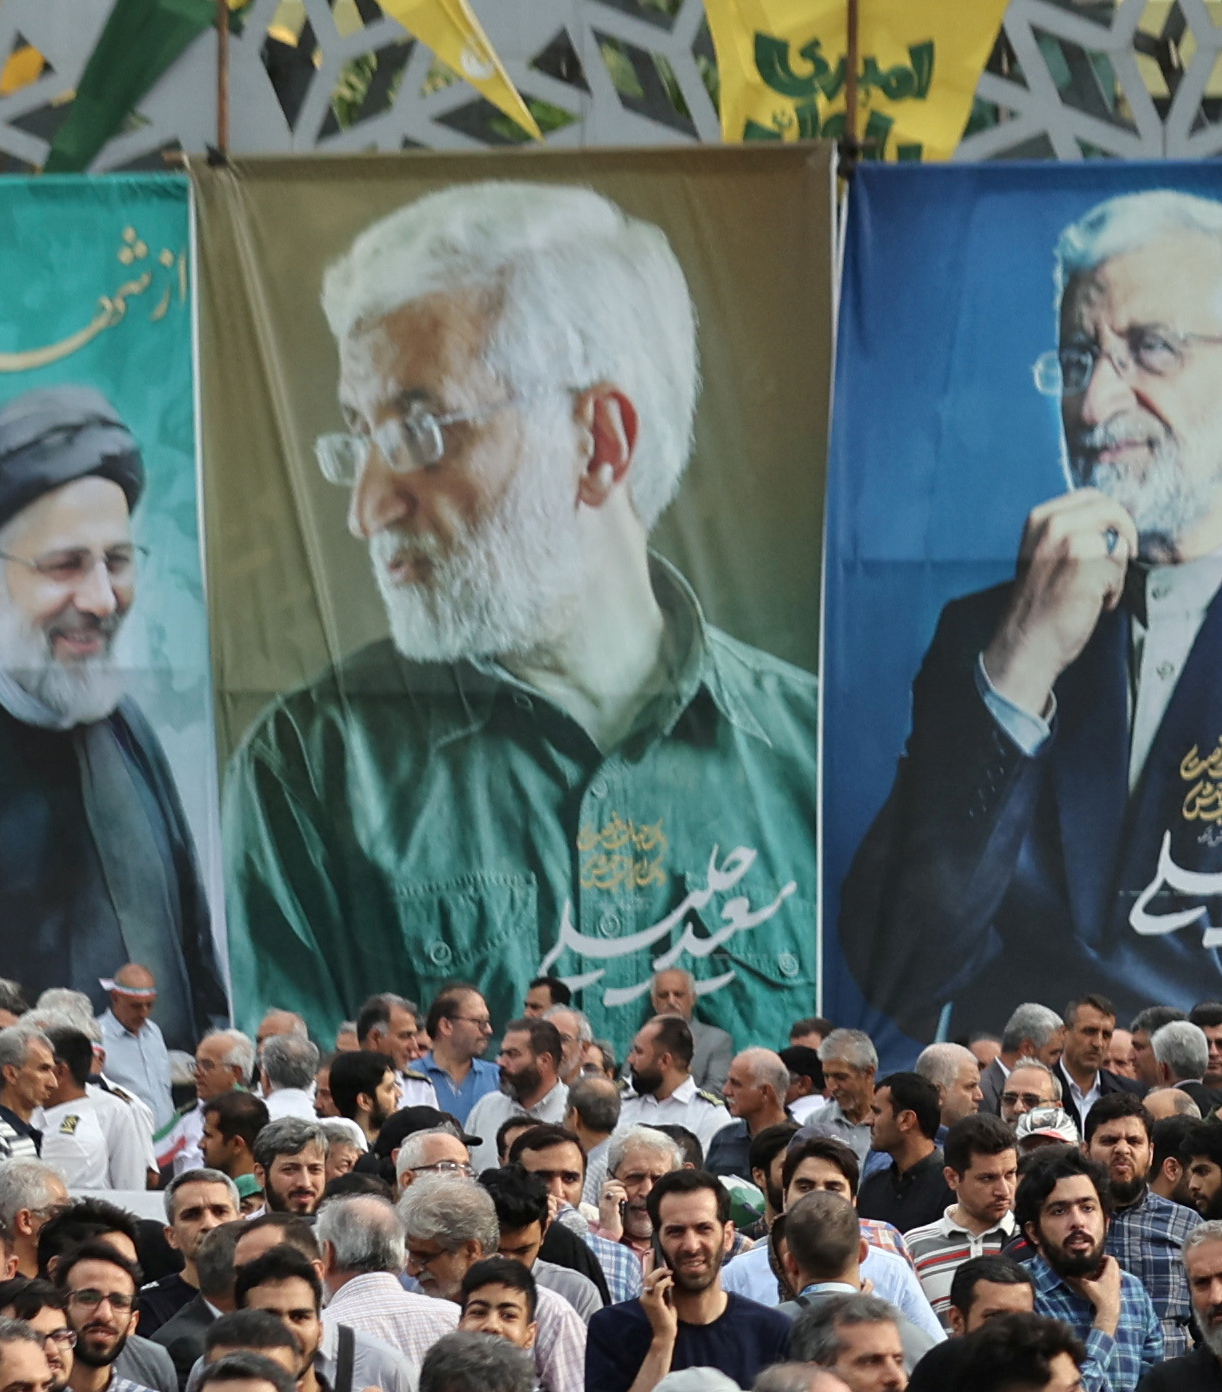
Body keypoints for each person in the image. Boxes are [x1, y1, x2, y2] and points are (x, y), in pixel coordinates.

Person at [837, 189, 1222, 1038]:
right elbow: (897, 962)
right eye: (1074, 361)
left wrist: (1022, 984)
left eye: (1151, 351)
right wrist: (1021, 670)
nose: (1094, 407)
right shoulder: (989, 635)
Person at [222, 184, 825, 1048]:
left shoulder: (820, 758)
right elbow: (308, 1135)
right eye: (360, 435)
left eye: (420, 431)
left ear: (600, 443)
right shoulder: (311, 771)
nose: (366, 509)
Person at [0, 388, 230, 1037]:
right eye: (64, 565)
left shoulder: (122, 722)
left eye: (116, 561)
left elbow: (194, 954)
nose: (100, 598)